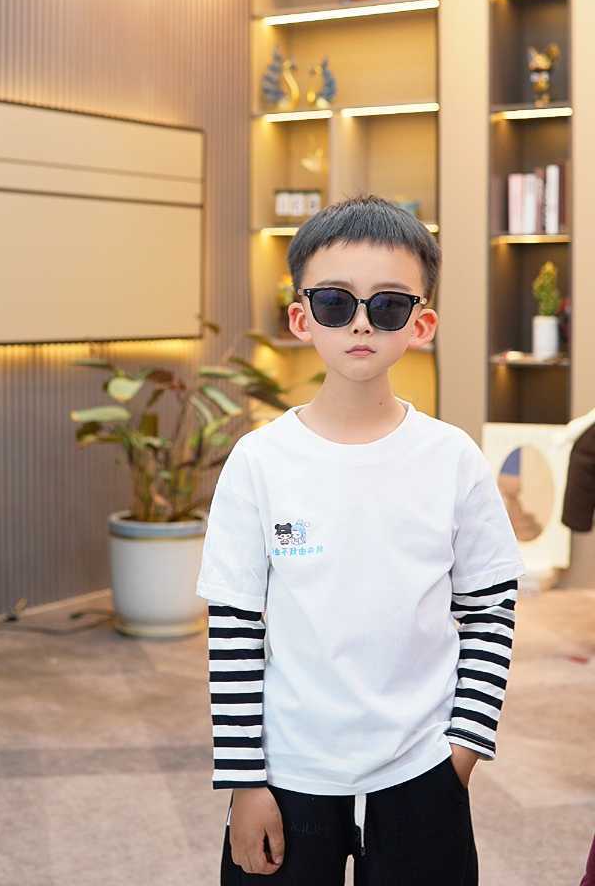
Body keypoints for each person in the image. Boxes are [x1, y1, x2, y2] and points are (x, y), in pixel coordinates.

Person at [196, 194, 526, 885]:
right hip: (288, 771)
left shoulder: (452, 459)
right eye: (335, 301)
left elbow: (490, 607)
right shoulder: (260, 462)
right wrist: (244, 781)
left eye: (389, 305)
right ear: (301, 317)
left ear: (422, 324)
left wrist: (463, 750)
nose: (361, 323)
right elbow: (234, 629)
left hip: (424, 769)